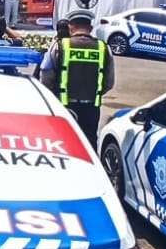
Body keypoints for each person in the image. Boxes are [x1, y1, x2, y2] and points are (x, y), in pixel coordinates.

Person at [41, 9, 114, 148]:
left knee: (62, 142)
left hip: (64, 106)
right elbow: (109, 82)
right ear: (91, 28)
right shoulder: (103, 48)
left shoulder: (59, 46)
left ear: (70, 27)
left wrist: (53, 95)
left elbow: (45, 73)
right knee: (88, 143)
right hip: (92, 108)